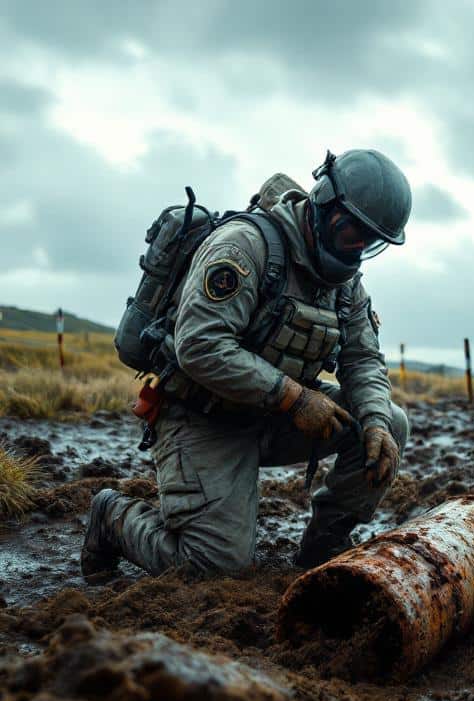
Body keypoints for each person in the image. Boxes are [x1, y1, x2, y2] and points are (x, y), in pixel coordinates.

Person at [82, 149, 413, 579]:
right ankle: (112, 517)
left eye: (369, 241)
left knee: (390, 421)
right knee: (212, 566)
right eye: (350, 230)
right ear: (324, 203)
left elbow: (363, 358)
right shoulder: (244, 247)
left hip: (272, 418)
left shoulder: (347, 286)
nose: (356, 246)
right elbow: (200, 344)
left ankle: (324, 544)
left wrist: (373, 422)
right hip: (201, 416)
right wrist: (293, 397)